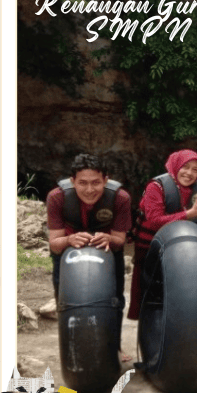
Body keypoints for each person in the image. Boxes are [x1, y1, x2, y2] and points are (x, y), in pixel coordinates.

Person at [128, 149, 197, 320]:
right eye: (185, 167)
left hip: (177, 247)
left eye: (195, 170)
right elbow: (155, 220)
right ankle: (150, 325)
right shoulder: (156, 187)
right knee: (149, 294)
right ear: (176, 165)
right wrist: (190, 213)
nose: (189, 173)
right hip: (151, 246)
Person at [46, 153, 133, 361]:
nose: (89, 189)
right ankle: (70, 349)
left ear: (106, 180)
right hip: (68, 253)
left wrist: (109, 238)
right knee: (65, 302)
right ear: (72, 181)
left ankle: (114, 347)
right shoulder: (57, 197)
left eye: (96, 182)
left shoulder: (120, 198)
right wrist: (69, 240)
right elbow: (55, 244)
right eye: (82, 183)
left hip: (107, 251)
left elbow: (120, 240)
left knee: (115, 301)